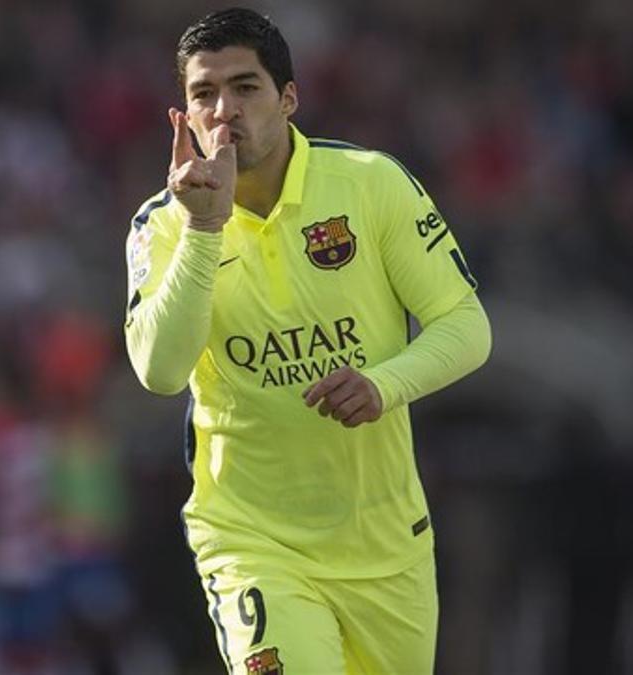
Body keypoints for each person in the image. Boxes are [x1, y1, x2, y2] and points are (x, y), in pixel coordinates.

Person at [123, 8, 491, 674]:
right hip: (253, 539)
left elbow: (467, 326)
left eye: (245, 87)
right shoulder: (165, 224)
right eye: (203, 94)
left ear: (288, 99)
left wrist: (384, 383)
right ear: (182, 114)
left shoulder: (371, 184)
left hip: (385, 543)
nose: (223, 109)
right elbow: (159, 371)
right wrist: (204, 230)